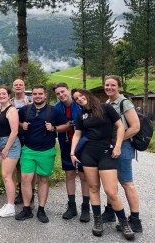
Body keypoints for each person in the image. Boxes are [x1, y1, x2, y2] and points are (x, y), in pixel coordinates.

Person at [70, 88, 134, 240]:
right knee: (93, 188)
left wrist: (118, 146)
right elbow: (77, 134)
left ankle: (124, 222)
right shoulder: (81, 115)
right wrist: (72, 153)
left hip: (106, 152)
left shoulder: (106, 108)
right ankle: (98, 220)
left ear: (87, 94)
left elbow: (120, 126)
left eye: (80, 95)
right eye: (76, 98)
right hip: (88, 154)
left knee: (111, 191)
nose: (79, 99)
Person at [15, 84, 70, 223]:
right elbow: (17, 121)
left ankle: (41, 209)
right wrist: (22, 125)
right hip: (28, 149)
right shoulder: (25, 110)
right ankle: (27, 208)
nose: (37, 96)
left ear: (45, 95)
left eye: (40, 94)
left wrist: (54, 128)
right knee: (26, 179)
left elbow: (67, 125)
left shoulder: (54, 111)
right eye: (35, 94)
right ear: (31, 95)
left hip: (47, 150)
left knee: (43, 180)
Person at [103, 75, 142, 233]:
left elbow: (135, 127)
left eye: (113, 85)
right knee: (111, 181)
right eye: (107, 85)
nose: (109, 88)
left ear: (118, 86)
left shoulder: (125, 103)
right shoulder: (108, 102)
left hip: (123, 147)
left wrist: (118, 142)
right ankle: (110, 211)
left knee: (127, 183)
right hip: (112, 146)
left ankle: (135, 220)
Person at [53, 83, 90, 222]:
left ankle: (86, 207)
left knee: (83, 175)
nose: (61, 95)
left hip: (83, 145)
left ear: (68, 90)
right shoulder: (56, 108)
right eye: (58, 94)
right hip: (66, 144)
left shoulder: (79, 103)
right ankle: (72, 206)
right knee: (69, 174)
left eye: (63, 92)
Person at [0, 86, 21, 217]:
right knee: (10, 176)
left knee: (6, 175)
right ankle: (10, 202)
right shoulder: (1, 110)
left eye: (4, 93)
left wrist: (6, 148)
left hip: (9, 145)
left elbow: (14, 131)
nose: (1, 96)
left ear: (9, 95)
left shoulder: (12, 110)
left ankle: (10, 207)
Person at [10, 79, 33, 205]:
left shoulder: (30, 101)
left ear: (24, 87)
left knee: (29, 165)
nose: (18, 86)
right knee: (18, 165)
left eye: (21, 85)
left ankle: (32, 191)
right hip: (14, 137)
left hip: (28, 137)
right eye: (16, 85)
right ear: (13, 88)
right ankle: (21, 192)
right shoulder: (10, 102)